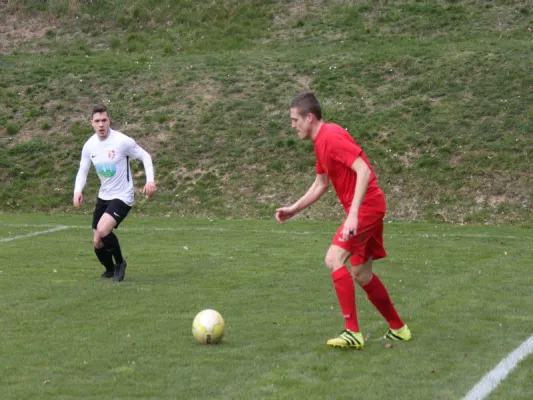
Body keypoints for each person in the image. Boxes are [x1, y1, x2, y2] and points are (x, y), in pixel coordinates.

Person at [275, 92, 411, 349]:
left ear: (310, 118)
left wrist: (353, 215)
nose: (292, 126)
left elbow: (364, 170)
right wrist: (294, 209)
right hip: (368, 208)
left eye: (295, 120)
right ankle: (398, 328)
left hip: (367, 208)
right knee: (361, 273)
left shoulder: (332, 137)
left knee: (333, 259)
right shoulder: (320, 142)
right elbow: (321, 183)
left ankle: (352, 332)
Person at [73, 104, 156, 282]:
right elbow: (82, 170)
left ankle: (120, 263)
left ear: (109, 121)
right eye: (97, 121)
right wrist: (77, 191)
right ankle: (110, 269)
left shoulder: (122, 141)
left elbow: (145, 156)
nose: (101, 124)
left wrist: (150, 181)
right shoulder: (89, 146)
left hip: (122, 196)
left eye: (104, 120)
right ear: (92, 124)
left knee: (103, 230)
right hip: (104, 196)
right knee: (97, 241)